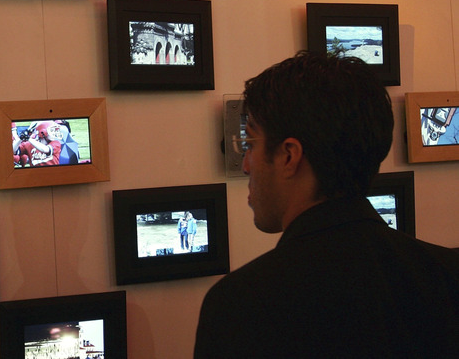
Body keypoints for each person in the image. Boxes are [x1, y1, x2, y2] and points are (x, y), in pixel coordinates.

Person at [194, 51, 459, 358]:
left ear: (289, 156)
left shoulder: (241, 302)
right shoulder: (447, 275)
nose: (246, 166)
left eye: (250, 145)